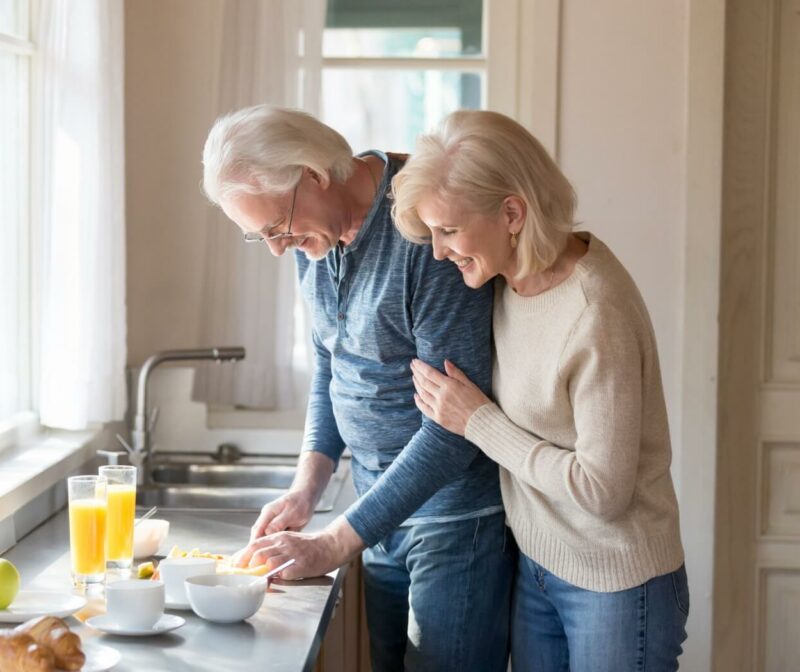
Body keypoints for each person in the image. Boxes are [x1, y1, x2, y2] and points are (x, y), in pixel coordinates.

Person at [201, 105, 515, 671]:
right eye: (261, 237)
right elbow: (331, 362)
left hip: (450, 523)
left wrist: (334, 542)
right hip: (376, 513)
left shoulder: (425, 231)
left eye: (276, 227)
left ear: (313, 175)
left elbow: (454, 428)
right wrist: (307, 489)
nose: (277, 247)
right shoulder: (314, 240)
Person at [393, 109, 689, 671]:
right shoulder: (505, 279)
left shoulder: (594, 312)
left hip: (617, 585)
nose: (437, 251)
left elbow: (602, 491)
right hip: (537, 567)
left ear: (512, 212)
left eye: (449, 230)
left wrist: (477, 422)